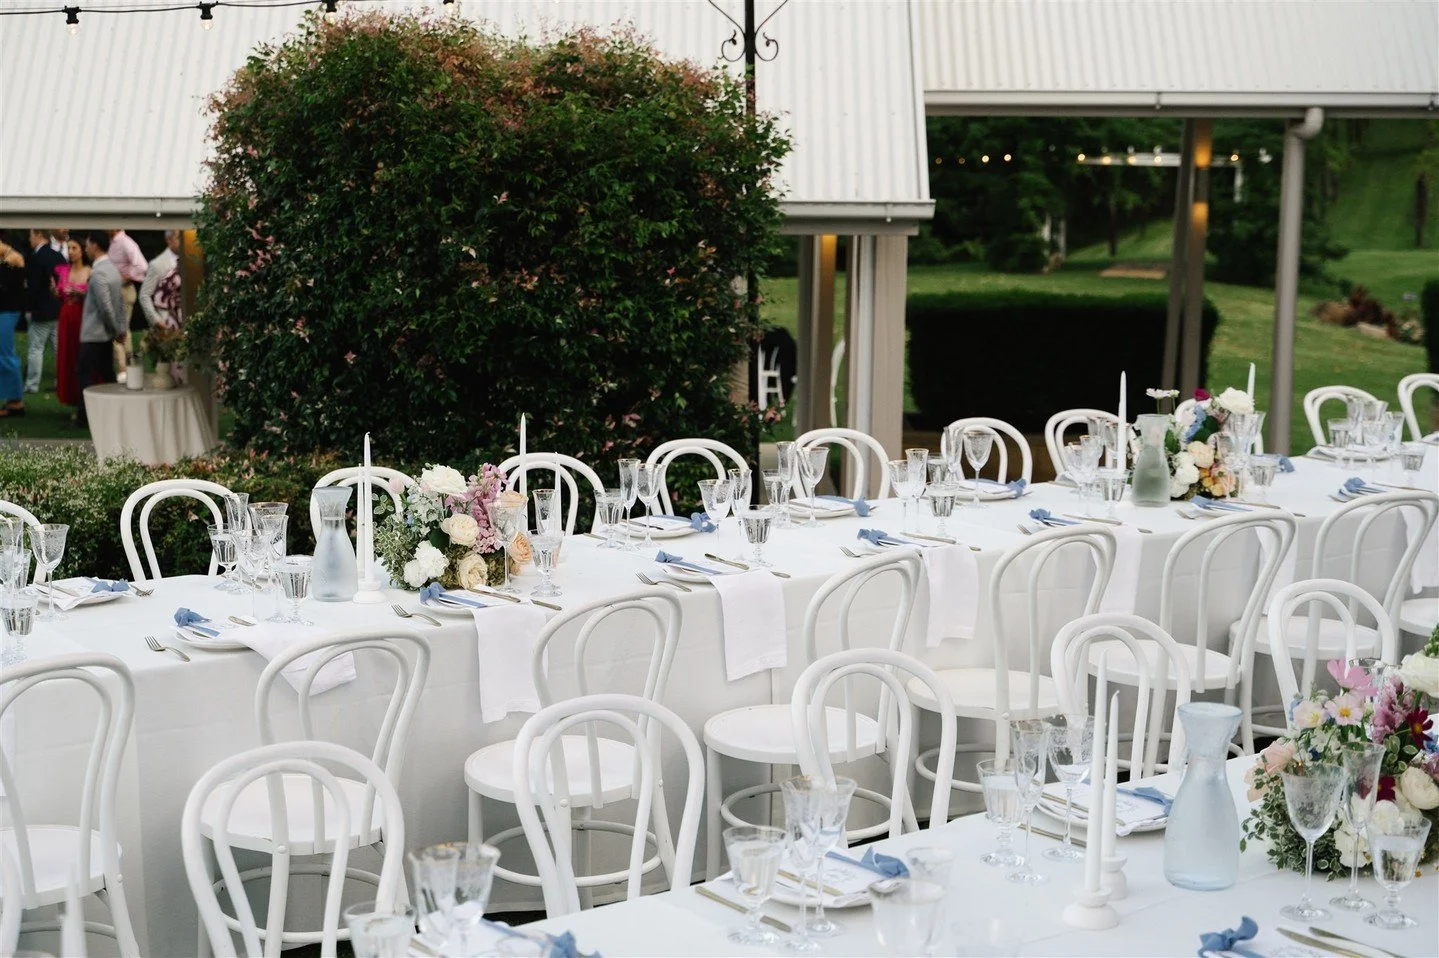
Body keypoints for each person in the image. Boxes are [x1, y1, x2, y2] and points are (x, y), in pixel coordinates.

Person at [76, 231, 125, 429]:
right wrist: (121, 328)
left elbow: (106, 307)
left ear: (95, 246)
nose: (86, 248)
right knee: (107, 374)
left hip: (95, 333)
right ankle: (115, 410)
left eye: (87, 245)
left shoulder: (98, 273)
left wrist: (115, 329)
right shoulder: (112, 269)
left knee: (84, 373)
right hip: (105, 333)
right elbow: (118, 303)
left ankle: (85, 416)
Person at [23, 228, 65, 394]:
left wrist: (29, 308)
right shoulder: (59, 256)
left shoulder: (36, 258)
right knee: (59, 350)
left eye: (31, 235)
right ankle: (60, 382)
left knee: (35, 349)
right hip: (58, 308)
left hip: (41, 310)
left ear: (39, 235)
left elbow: (33, 288)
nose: (29, 239)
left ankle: (32, 385)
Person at [105, 228, 147, 374]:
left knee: (118, 329)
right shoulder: (111, 242)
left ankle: (124, 368)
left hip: (123, 290)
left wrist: (125, 277)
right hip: (114, 291)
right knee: (120, 329)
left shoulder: (125, 242)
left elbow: (142, 266)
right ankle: (129, 366)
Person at [54, 238, 90, 407]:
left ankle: (85, 393)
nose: (71, 252)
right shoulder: (63, 271)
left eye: (74, 248)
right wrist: (56, 292)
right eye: (68, 248)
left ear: (82, 250)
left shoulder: (89, 271)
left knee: (81, 352)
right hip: (66, 315)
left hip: (82, 314)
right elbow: (60, 294)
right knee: (67, 353)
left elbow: (94, 296)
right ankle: (70, 394)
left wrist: (81, 294)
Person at [0, 233, 26, 418]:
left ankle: (16, 401)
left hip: (7, 312)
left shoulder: (14, 259)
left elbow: (4, 286)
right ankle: (10, 399)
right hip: (4, 311)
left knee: (6, 354)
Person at [139, 230, 181, 329]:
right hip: (168, 323)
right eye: (179, 237)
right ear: (168, 240)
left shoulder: (192, 259)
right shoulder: (157, 264)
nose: (183, 241)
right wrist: (156, 320)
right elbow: (144, 295)